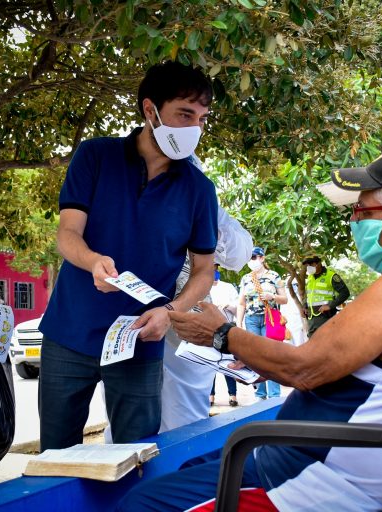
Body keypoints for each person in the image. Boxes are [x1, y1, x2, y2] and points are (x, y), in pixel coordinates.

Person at [117, 141, 382, 511]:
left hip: (307, 482)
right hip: (310, 462)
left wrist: (222, 335)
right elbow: (330, 364)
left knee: (142, 503)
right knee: (191, 467)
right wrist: (250, 352)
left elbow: (302, 369)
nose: (354, 220)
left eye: (363, 209)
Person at [38, 61, 219, 450]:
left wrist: (171, 313)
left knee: (135, 457)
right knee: (55, 457)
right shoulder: (95, 156)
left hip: (141, 341)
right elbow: (67, 234)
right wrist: (91, 261)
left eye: (202, 119)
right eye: (184, 114)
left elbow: (204, 271)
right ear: (149, 109)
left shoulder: (200, 189)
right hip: (70, 334)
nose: (194, 129)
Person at [159, 209, 251, 432]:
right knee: (127, 427)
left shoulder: (200, 199)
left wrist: (205, 226)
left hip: (188, 328)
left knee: (183, 421)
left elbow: (240, 253)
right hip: (132, 320)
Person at [237, 246, 287, 400]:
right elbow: (241, 303)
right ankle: (260, 394)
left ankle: (274, 395)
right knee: (255, 357)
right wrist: (239, 324)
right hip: (251, 319)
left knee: (271, 356)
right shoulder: (245, 278)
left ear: (262, 258)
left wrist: (272, 296)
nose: (251, 261)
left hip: (269, 319)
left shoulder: (274, 276)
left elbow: (284, 299)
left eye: (253, 257)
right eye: (249, 259)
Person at [208, 263, 241, 407]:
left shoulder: (228, 287)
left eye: (215, 268)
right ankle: (210, 396)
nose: (213, 270)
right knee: (209, 364)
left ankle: (233, 395)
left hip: (227, 329)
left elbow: (238, 307)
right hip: (209, 329)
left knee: (229, 363)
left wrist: (227, 305)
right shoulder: (202, 287)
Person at [301, 254, 350, 337]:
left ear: (319, 263)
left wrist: (330, 306)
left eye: (311, 264)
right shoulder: (310, 277)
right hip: (311, 317)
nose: (309, 267)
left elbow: (345, 293)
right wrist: (305, 306)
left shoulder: (331, 276)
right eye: (308, 265)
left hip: (325, 316)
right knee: (314, 343)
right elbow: (309, 293)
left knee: (326, 342)